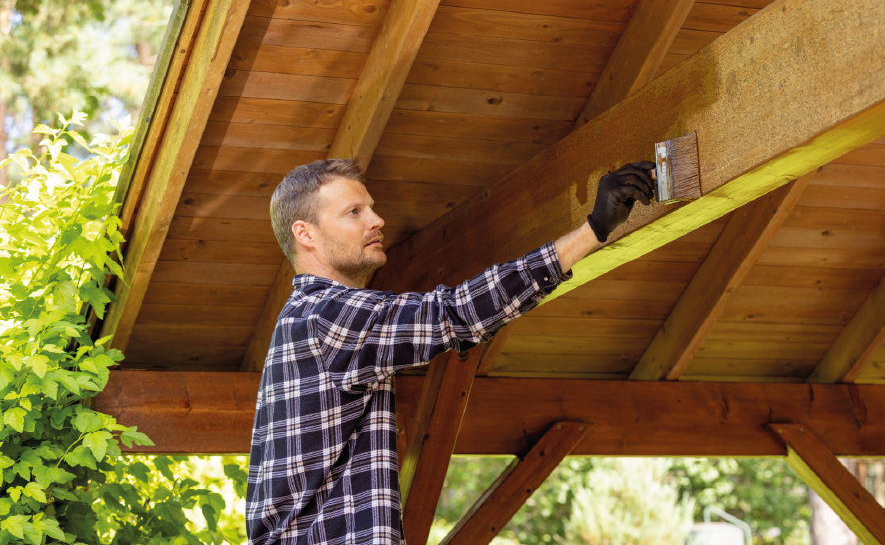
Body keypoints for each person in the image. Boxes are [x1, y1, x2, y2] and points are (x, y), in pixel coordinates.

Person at [246, 157, 656, 545]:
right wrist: (593, 229)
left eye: (371, 208)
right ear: (306, 234)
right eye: (354, 212)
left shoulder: (306, 318)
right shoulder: (327, 316)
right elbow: (456, 313)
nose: (377, 220)